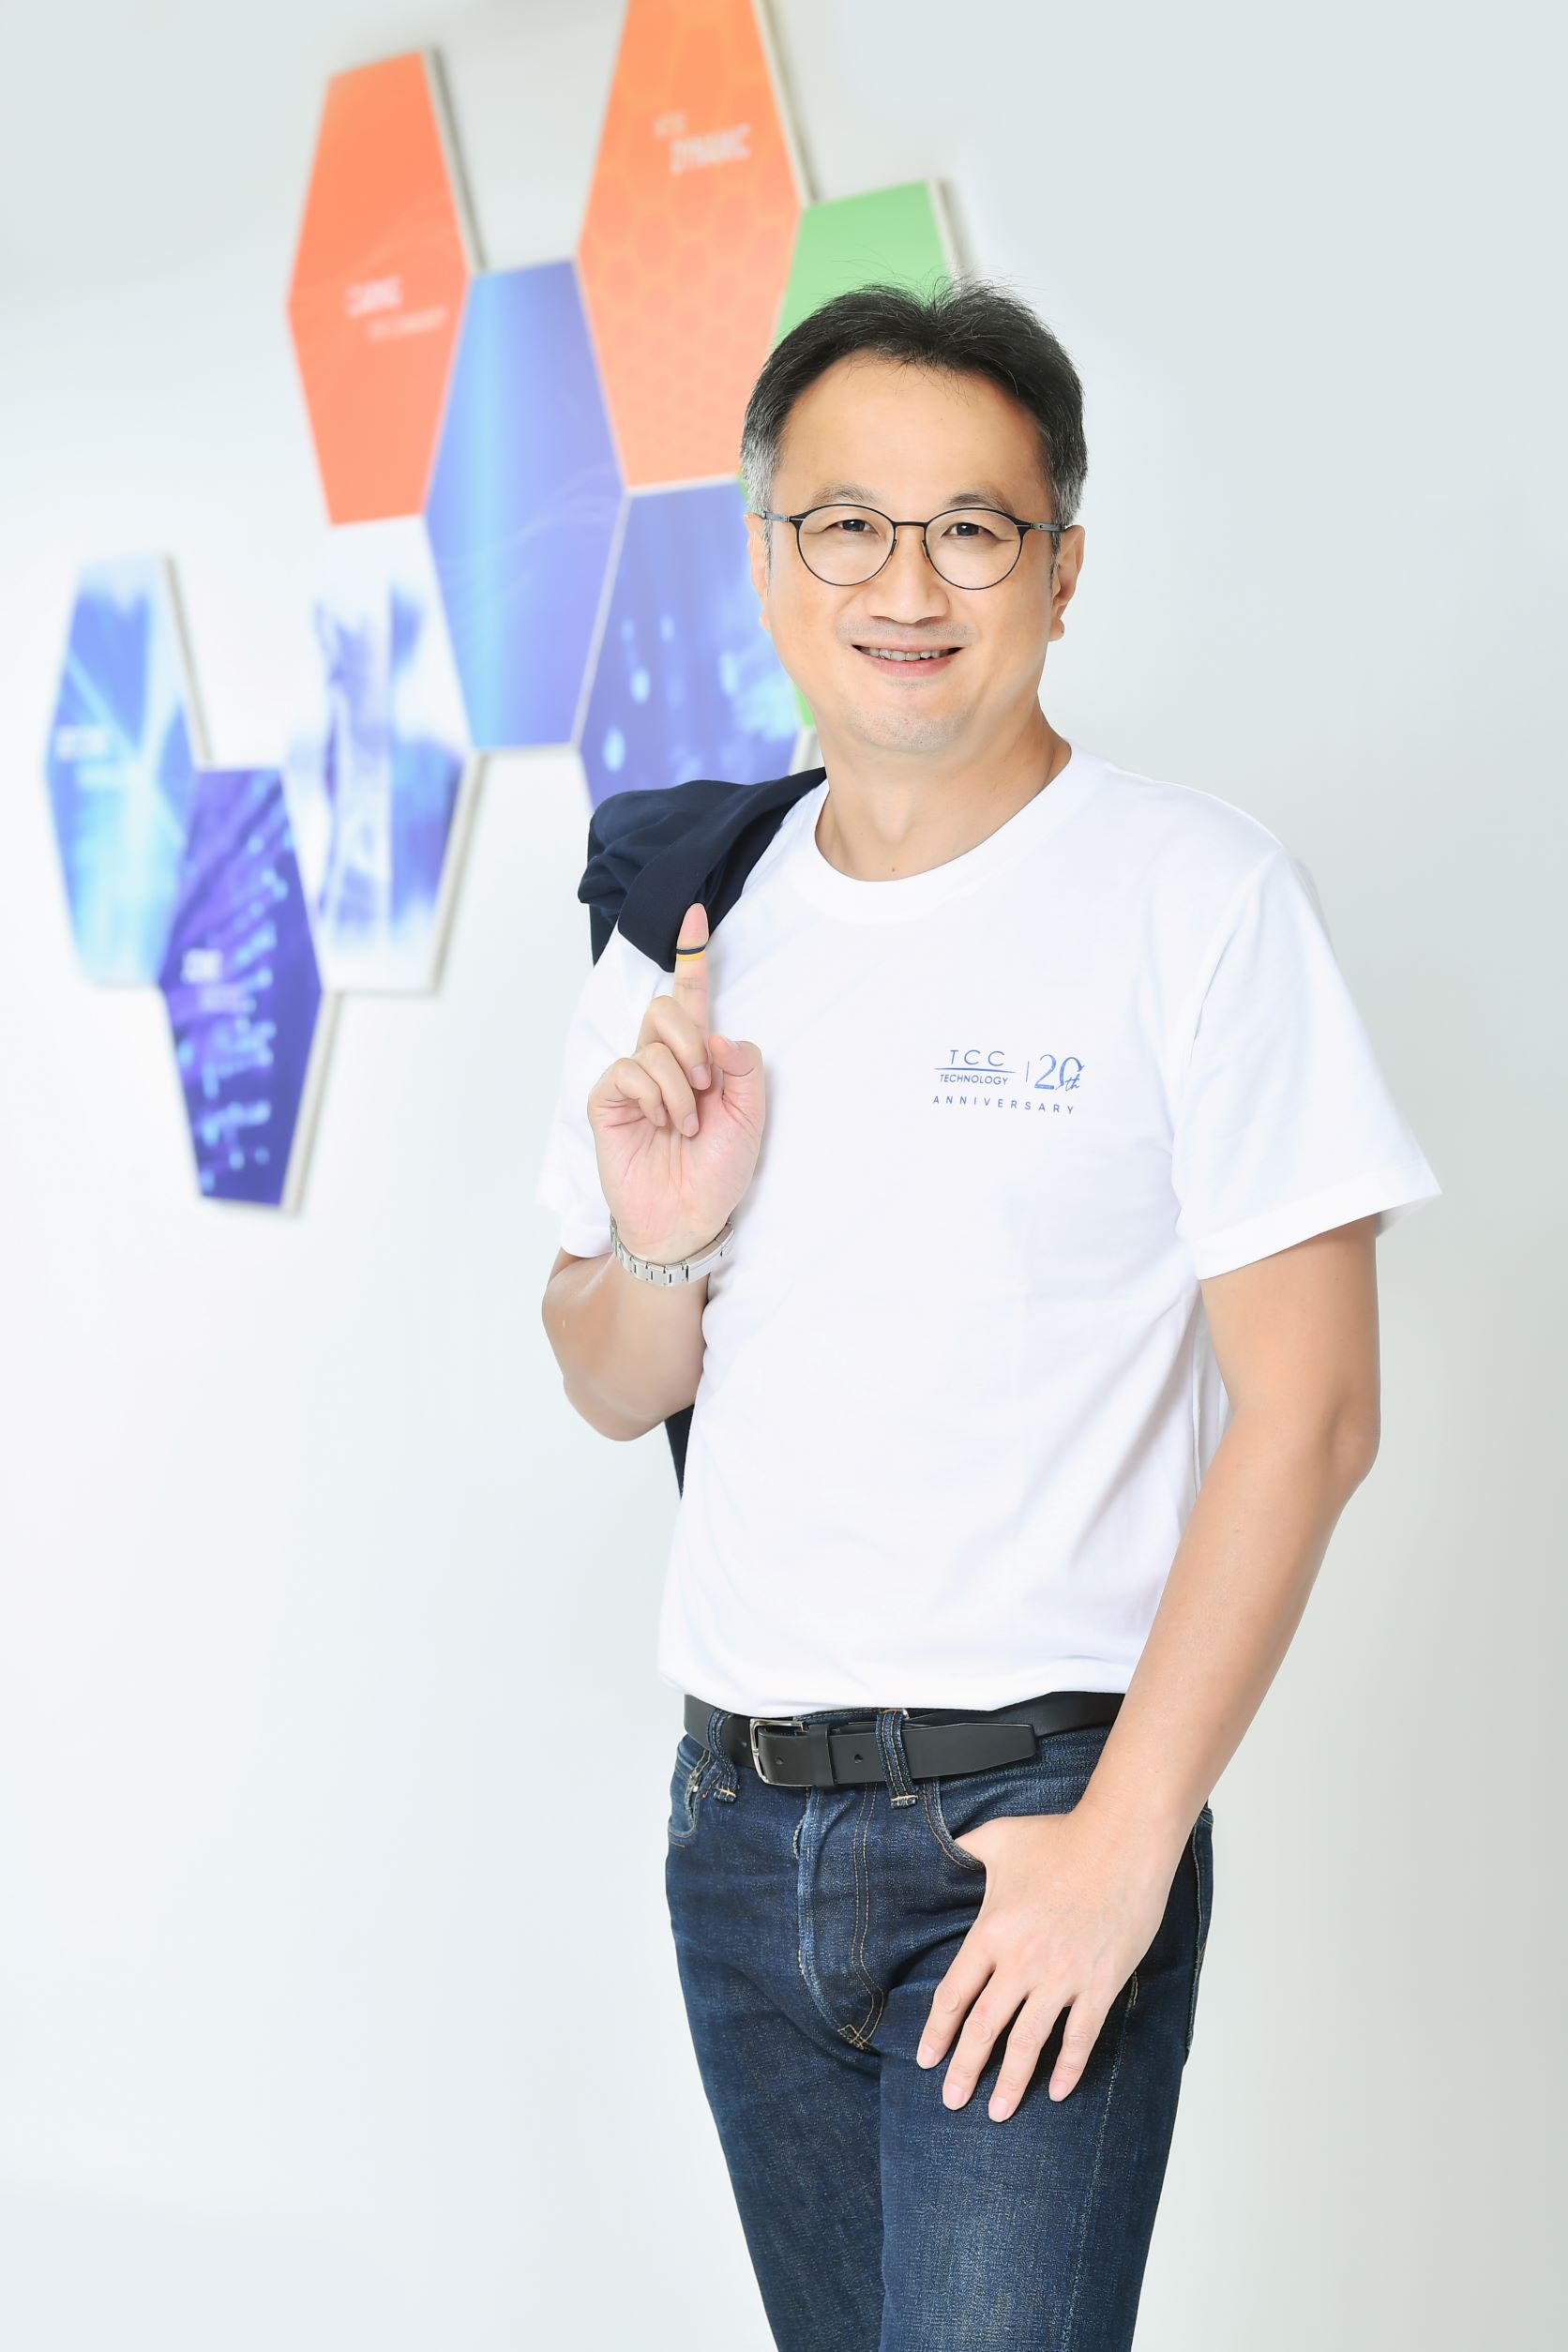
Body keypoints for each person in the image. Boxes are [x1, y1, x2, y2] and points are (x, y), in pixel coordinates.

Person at [534, 279, 1441, 2351]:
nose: (906, 585)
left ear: (1063, 569)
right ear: (768, 555)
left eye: (972, 528)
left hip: (1027, 1826)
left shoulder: (1194, 899)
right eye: (847, 524)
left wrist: (1127, 1845)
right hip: (733, 1832)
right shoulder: (689, 922)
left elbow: (1311, 1413)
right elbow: (605, 1378)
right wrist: (664, 1239)